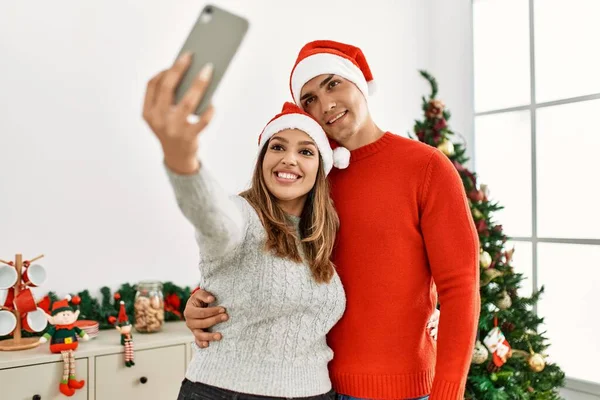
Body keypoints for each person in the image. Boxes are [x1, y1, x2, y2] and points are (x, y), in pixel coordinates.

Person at [185, 40, 480, 400]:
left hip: (400, 391)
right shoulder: (308, 177)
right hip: (314, 386)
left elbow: (461, 287)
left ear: (358, 84)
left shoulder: (427, 167)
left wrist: (448, 393)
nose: (325, 105)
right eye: (309, 99)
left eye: (333, 84)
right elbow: (256, 248)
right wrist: (203, 299)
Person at [143, 52, 349, 399]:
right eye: (278, 147)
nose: (289, 159)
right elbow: (212, 216)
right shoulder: (242, 216)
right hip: (228, 391)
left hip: (318, 392)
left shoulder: (319, 237)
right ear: (263, 160)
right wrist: (182, 158)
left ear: (320, 169)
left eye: (306, 152)